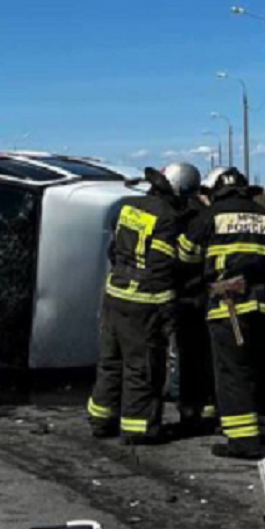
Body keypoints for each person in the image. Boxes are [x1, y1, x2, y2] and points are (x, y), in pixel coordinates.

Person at [180, 168, 265, 461]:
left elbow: (186, 253)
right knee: (263, 370)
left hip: (230, 306)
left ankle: (242, 441)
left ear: (215, 192)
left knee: (233, 373)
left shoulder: (211, 216)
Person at [87, 167, 186, 445]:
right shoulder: (168, 218)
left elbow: (113, 251)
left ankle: (101, 420)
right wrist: (169, 308)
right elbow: (165, 266)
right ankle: (138, 427)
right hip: (144, 302)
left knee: (110, 361)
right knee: (141, 367)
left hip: (114, 294)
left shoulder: (128, 207)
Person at [162, 161, 213, 437]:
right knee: (202, 353)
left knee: (185, 352)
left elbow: (181, 257)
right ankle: (204, 406)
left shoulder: (177, 214)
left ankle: (188, 408)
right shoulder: (205, 213)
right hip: (205, 293)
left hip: (186, 293)